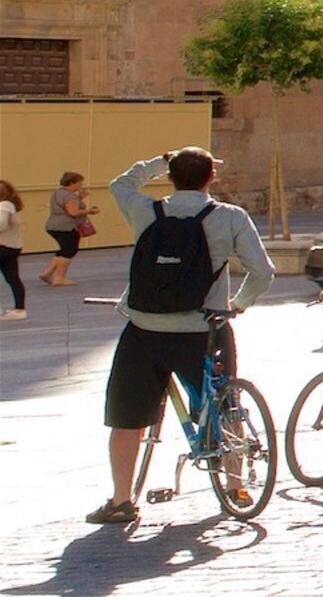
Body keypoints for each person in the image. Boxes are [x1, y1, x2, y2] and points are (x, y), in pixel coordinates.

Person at [94, 148, 272, 526]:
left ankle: (121, 500)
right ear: (212, 177)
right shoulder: (228, 217)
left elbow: (119, 184)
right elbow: (262, 271)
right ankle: (236, 485)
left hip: (144, 329)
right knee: (225, 406)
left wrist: (160, 161)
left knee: (126, 418)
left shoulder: (146, 211)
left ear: (170, 177)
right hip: (203, 329)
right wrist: (237, 304)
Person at [43, 171, 92, 288]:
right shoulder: (69, 196)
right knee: (69, 251)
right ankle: (59, 278)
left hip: (53, 225)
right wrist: (89, 211)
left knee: (63, 250)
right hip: (66, 227)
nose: (81, 185)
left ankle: (48, 273)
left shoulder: (58, 192)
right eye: (80, 183)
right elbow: (73, 212)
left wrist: (80, 197)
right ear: (72, 183)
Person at [2, 176, 24, 319]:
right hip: (12, 247)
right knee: (12, 278)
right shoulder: (9, 205)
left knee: (12, 278)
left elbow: (1, 225)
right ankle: (19, 309)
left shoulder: (3, 206)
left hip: (3, 247)